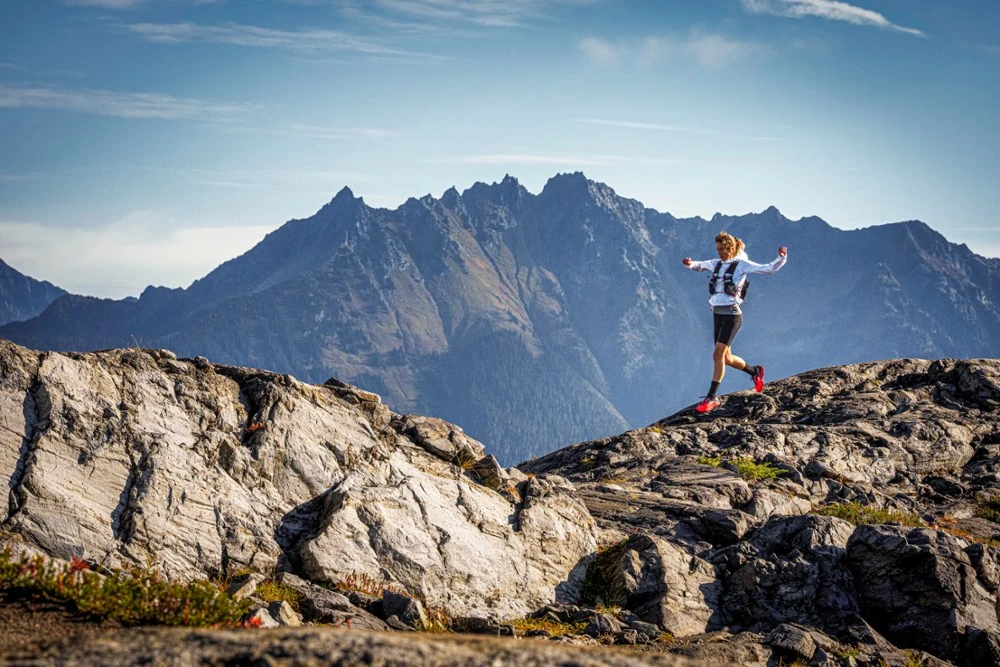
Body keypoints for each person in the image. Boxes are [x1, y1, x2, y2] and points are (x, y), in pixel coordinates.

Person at [682, 232, 788, 413]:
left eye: (722, 249)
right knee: (726, 359)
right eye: (717, 249)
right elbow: (700, 265)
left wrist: (781, 258)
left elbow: (768, 269)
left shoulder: (741, 265)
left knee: (717, 355)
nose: (719, 253)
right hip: (717, 314)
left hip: (732, 316)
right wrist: (689, 263)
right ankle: (755, 371)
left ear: (731, 248)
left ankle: (712, 397)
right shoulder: (717, 263)